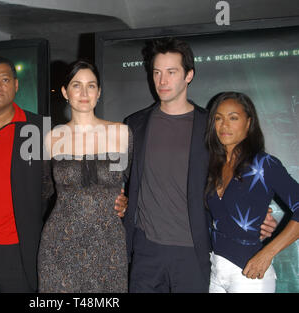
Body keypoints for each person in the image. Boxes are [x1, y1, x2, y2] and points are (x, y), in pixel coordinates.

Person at [0, 56, 129, 293]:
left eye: (4, 79)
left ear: (16, 85)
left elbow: (56, 183)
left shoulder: (38, 129)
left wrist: (116, 198)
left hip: (21, 251)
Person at [123, 37, 277, 293]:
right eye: (157, 72)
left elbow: (240, 173)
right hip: (146, 252)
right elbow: (125, 181)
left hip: (194, 251)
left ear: (189, 75)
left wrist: (263, 212)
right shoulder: (134, 124)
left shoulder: (211, 127)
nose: (162, 81)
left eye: (172, 72)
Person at [37, 60, 131, 293]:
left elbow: (135, 184)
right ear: (64, 92)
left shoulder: (121, 133)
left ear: (99, 92)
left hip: (108, 243)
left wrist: (126, 200)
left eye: (91, 86)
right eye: (76, 85)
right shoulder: (50, 138)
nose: (84, 92)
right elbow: (43, 191)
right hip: (59, 244)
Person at [205, 91, 299, 293]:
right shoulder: (212, 166)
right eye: (218, 118)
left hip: (249, 275)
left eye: (233, 118)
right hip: (215, 272)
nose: (224, 125)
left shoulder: (264, 164)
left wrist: (268, 253)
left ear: (249, 123)